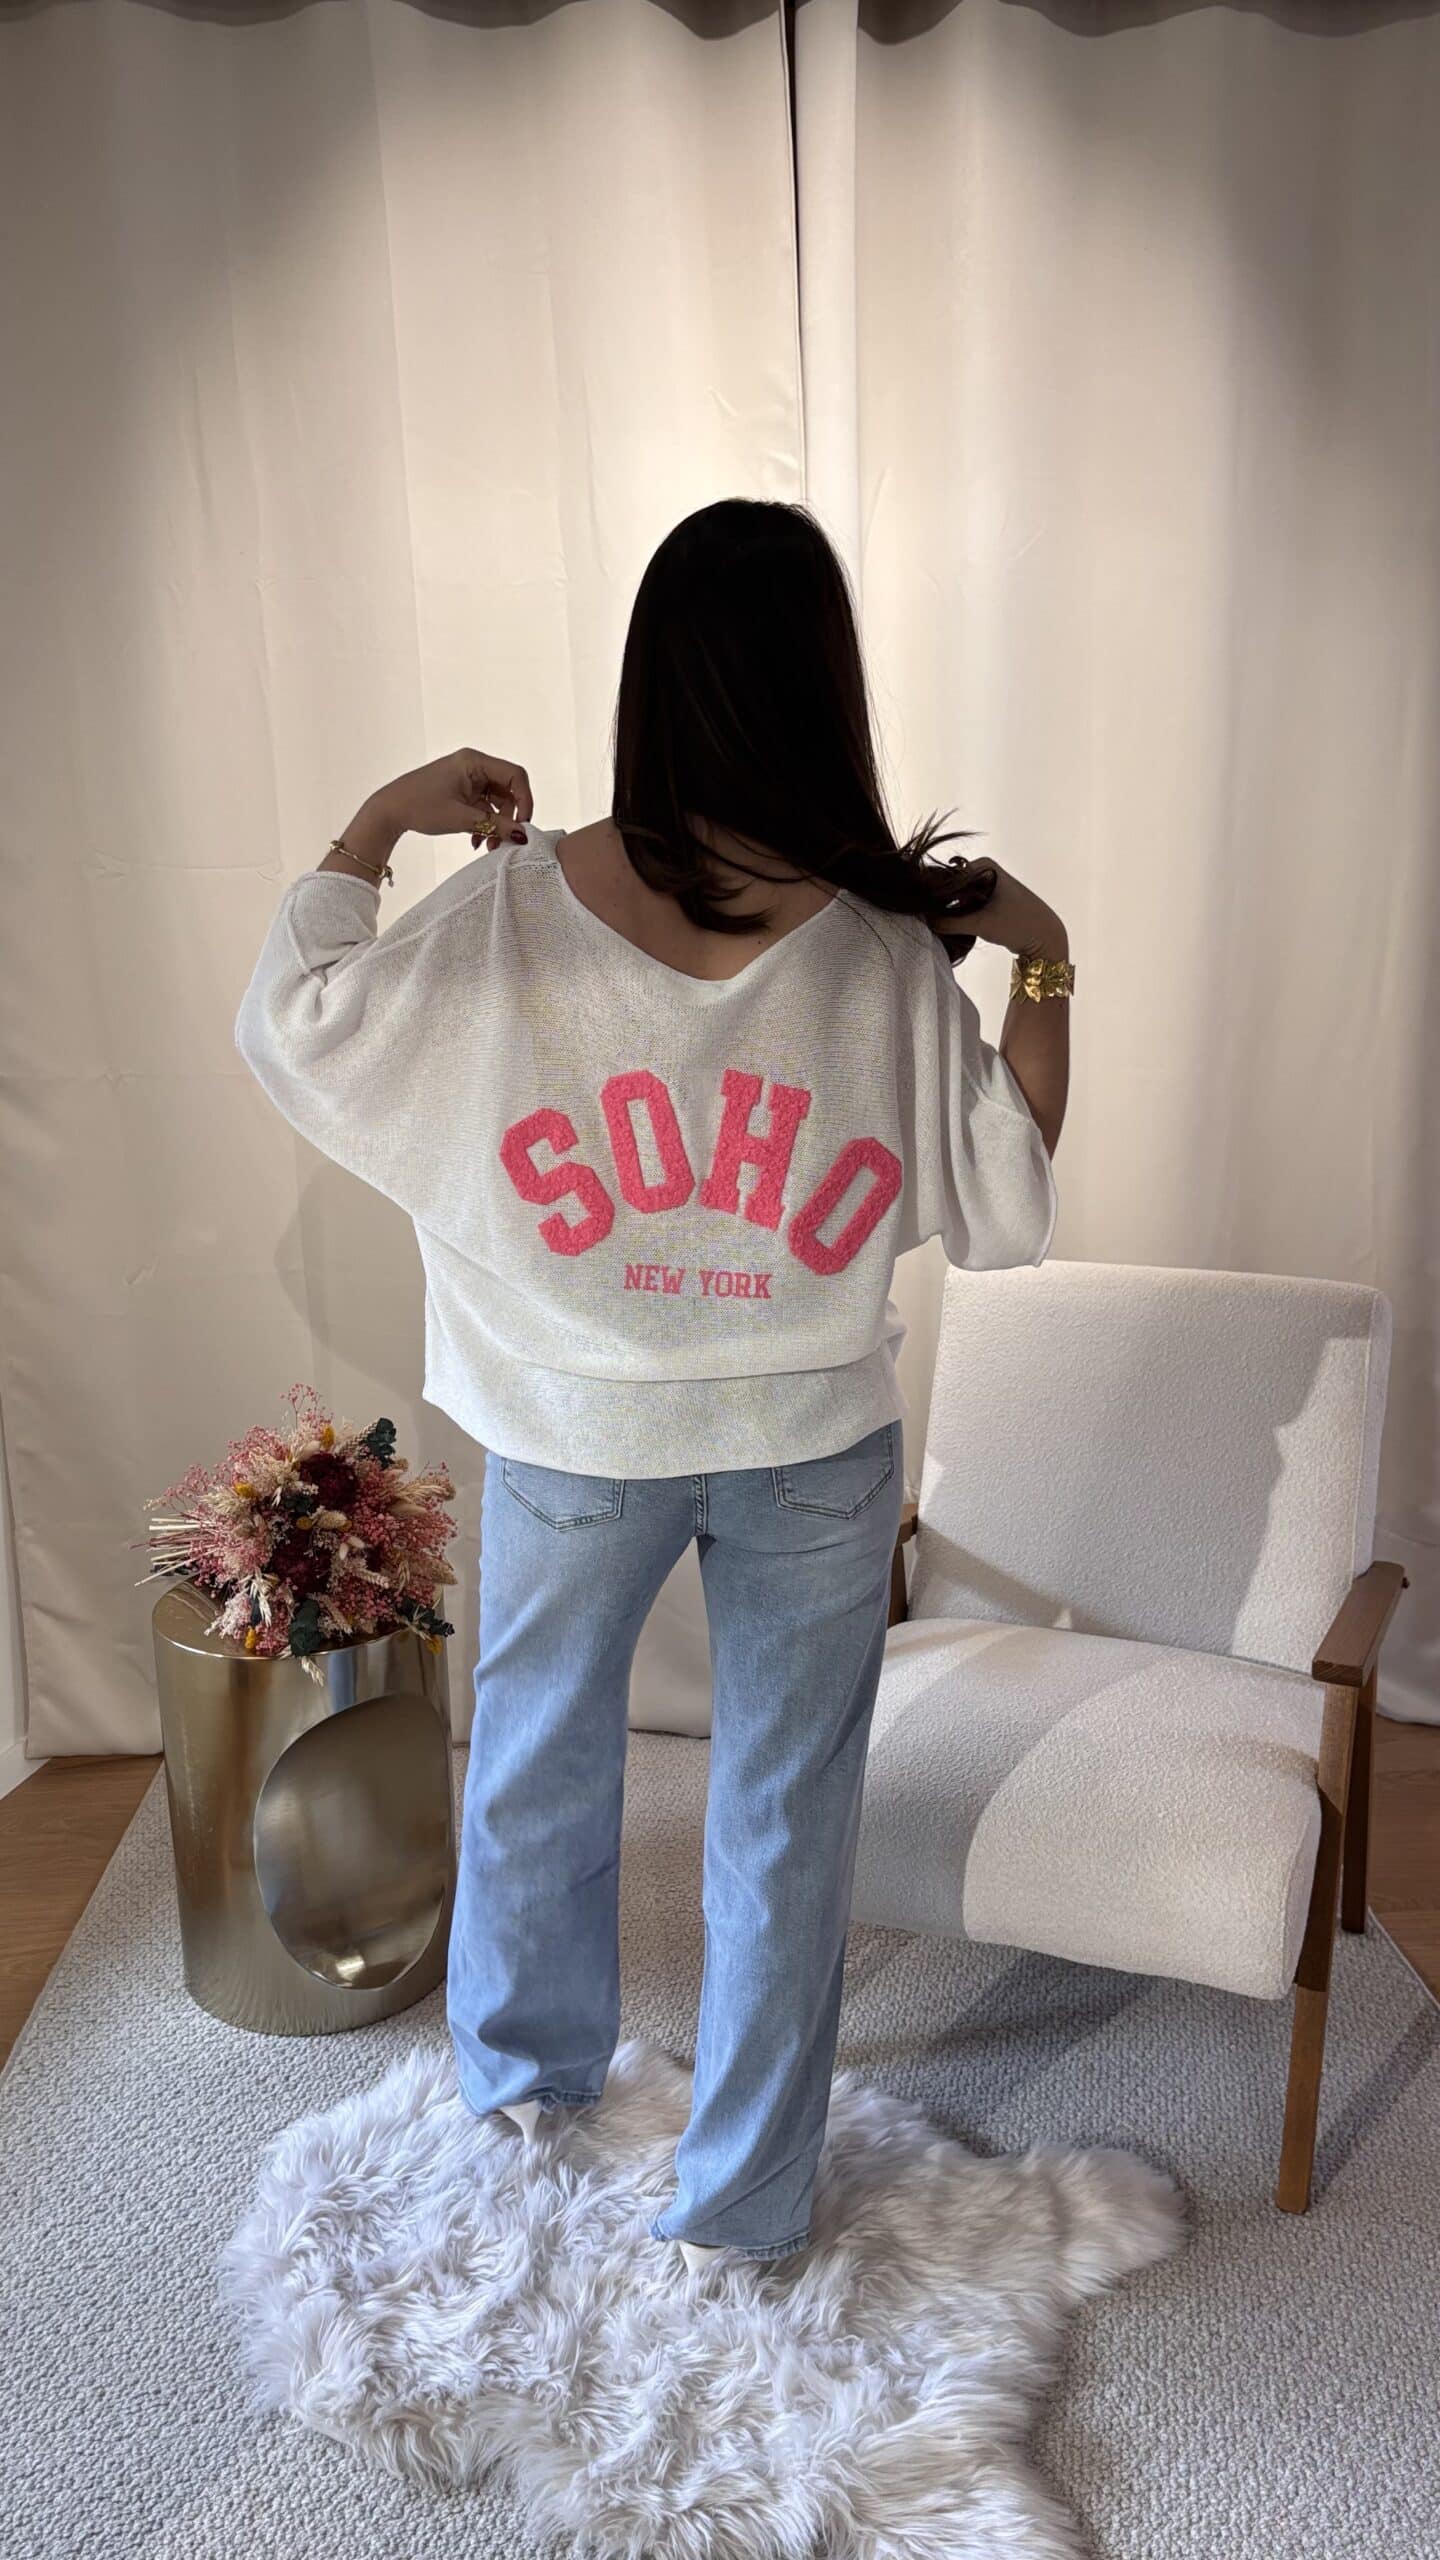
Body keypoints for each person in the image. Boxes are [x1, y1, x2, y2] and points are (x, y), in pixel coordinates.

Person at [234, 497, 1072, 2283]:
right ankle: (749, 2205)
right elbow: (1004, 1197)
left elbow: (297, 1022)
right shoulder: (879, 948)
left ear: (653, 683)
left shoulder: (514, 914)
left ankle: (520, 2115)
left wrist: (381, 821)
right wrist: (1046, 952)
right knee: (786, 1815)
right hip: (811, 1446)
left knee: (535, 1773)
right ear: (822, 690)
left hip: (575, 1433)